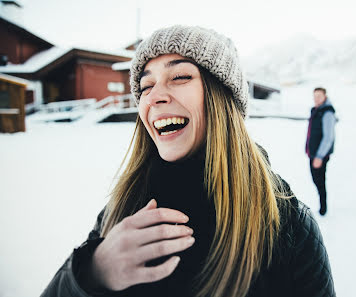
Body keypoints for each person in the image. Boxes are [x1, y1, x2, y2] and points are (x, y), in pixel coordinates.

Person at [41, 25, 336, 297]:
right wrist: (91, 274)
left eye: (180, 77)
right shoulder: (124, 206)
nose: (154, 96)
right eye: (145, 86)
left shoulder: (289, 225)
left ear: (222, 98)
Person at [305, 87, 336, 216]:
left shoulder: (327, 112)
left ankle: (323, 209)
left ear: (325, 96)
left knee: (320, 181)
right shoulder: (316, 110)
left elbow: (329, 137)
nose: (316, 99)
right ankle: (323, 206)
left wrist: (319, 156)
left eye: (319, 96)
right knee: (316, 179)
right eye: (314, 96)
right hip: (313, 152)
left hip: (320, 155)